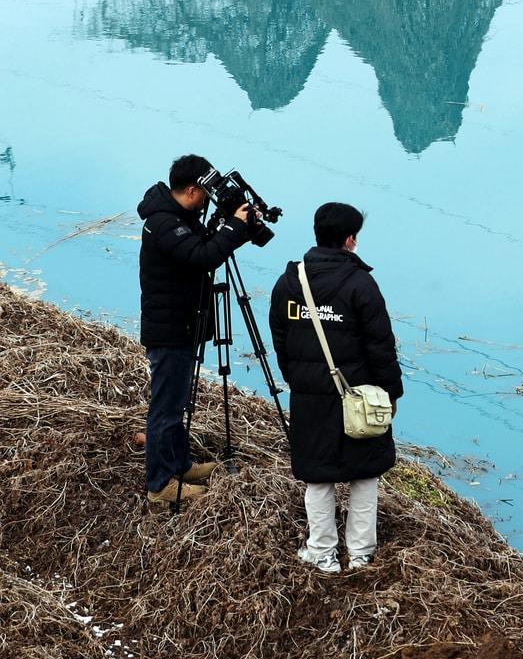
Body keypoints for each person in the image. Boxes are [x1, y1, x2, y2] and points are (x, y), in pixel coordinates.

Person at [268, 202, 403, 573]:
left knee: (317, 474)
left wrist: (297, 377)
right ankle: (361, 553)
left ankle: (322, 553)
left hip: (309, 395)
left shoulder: (290, 281)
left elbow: (279, 336)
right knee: (364, 474)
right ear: (349, 240)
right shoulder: (361, 283)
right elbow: (381, 346)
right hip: (358, 395)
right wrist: (391, 393)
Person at [137, 154, 250, 503]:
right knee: (166, 408)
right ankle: (160, 486)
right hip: (170, 329)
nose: (208, 199)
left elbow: (204, 246)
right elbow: (203, 257)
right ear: (191, 190)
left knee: (177, 403)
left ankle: (180, 465)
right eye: (206, 192)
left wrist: (234, 228)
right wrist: (233, 227)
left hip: (181, 323)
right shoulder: (166, 224)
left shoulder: (179, 217)